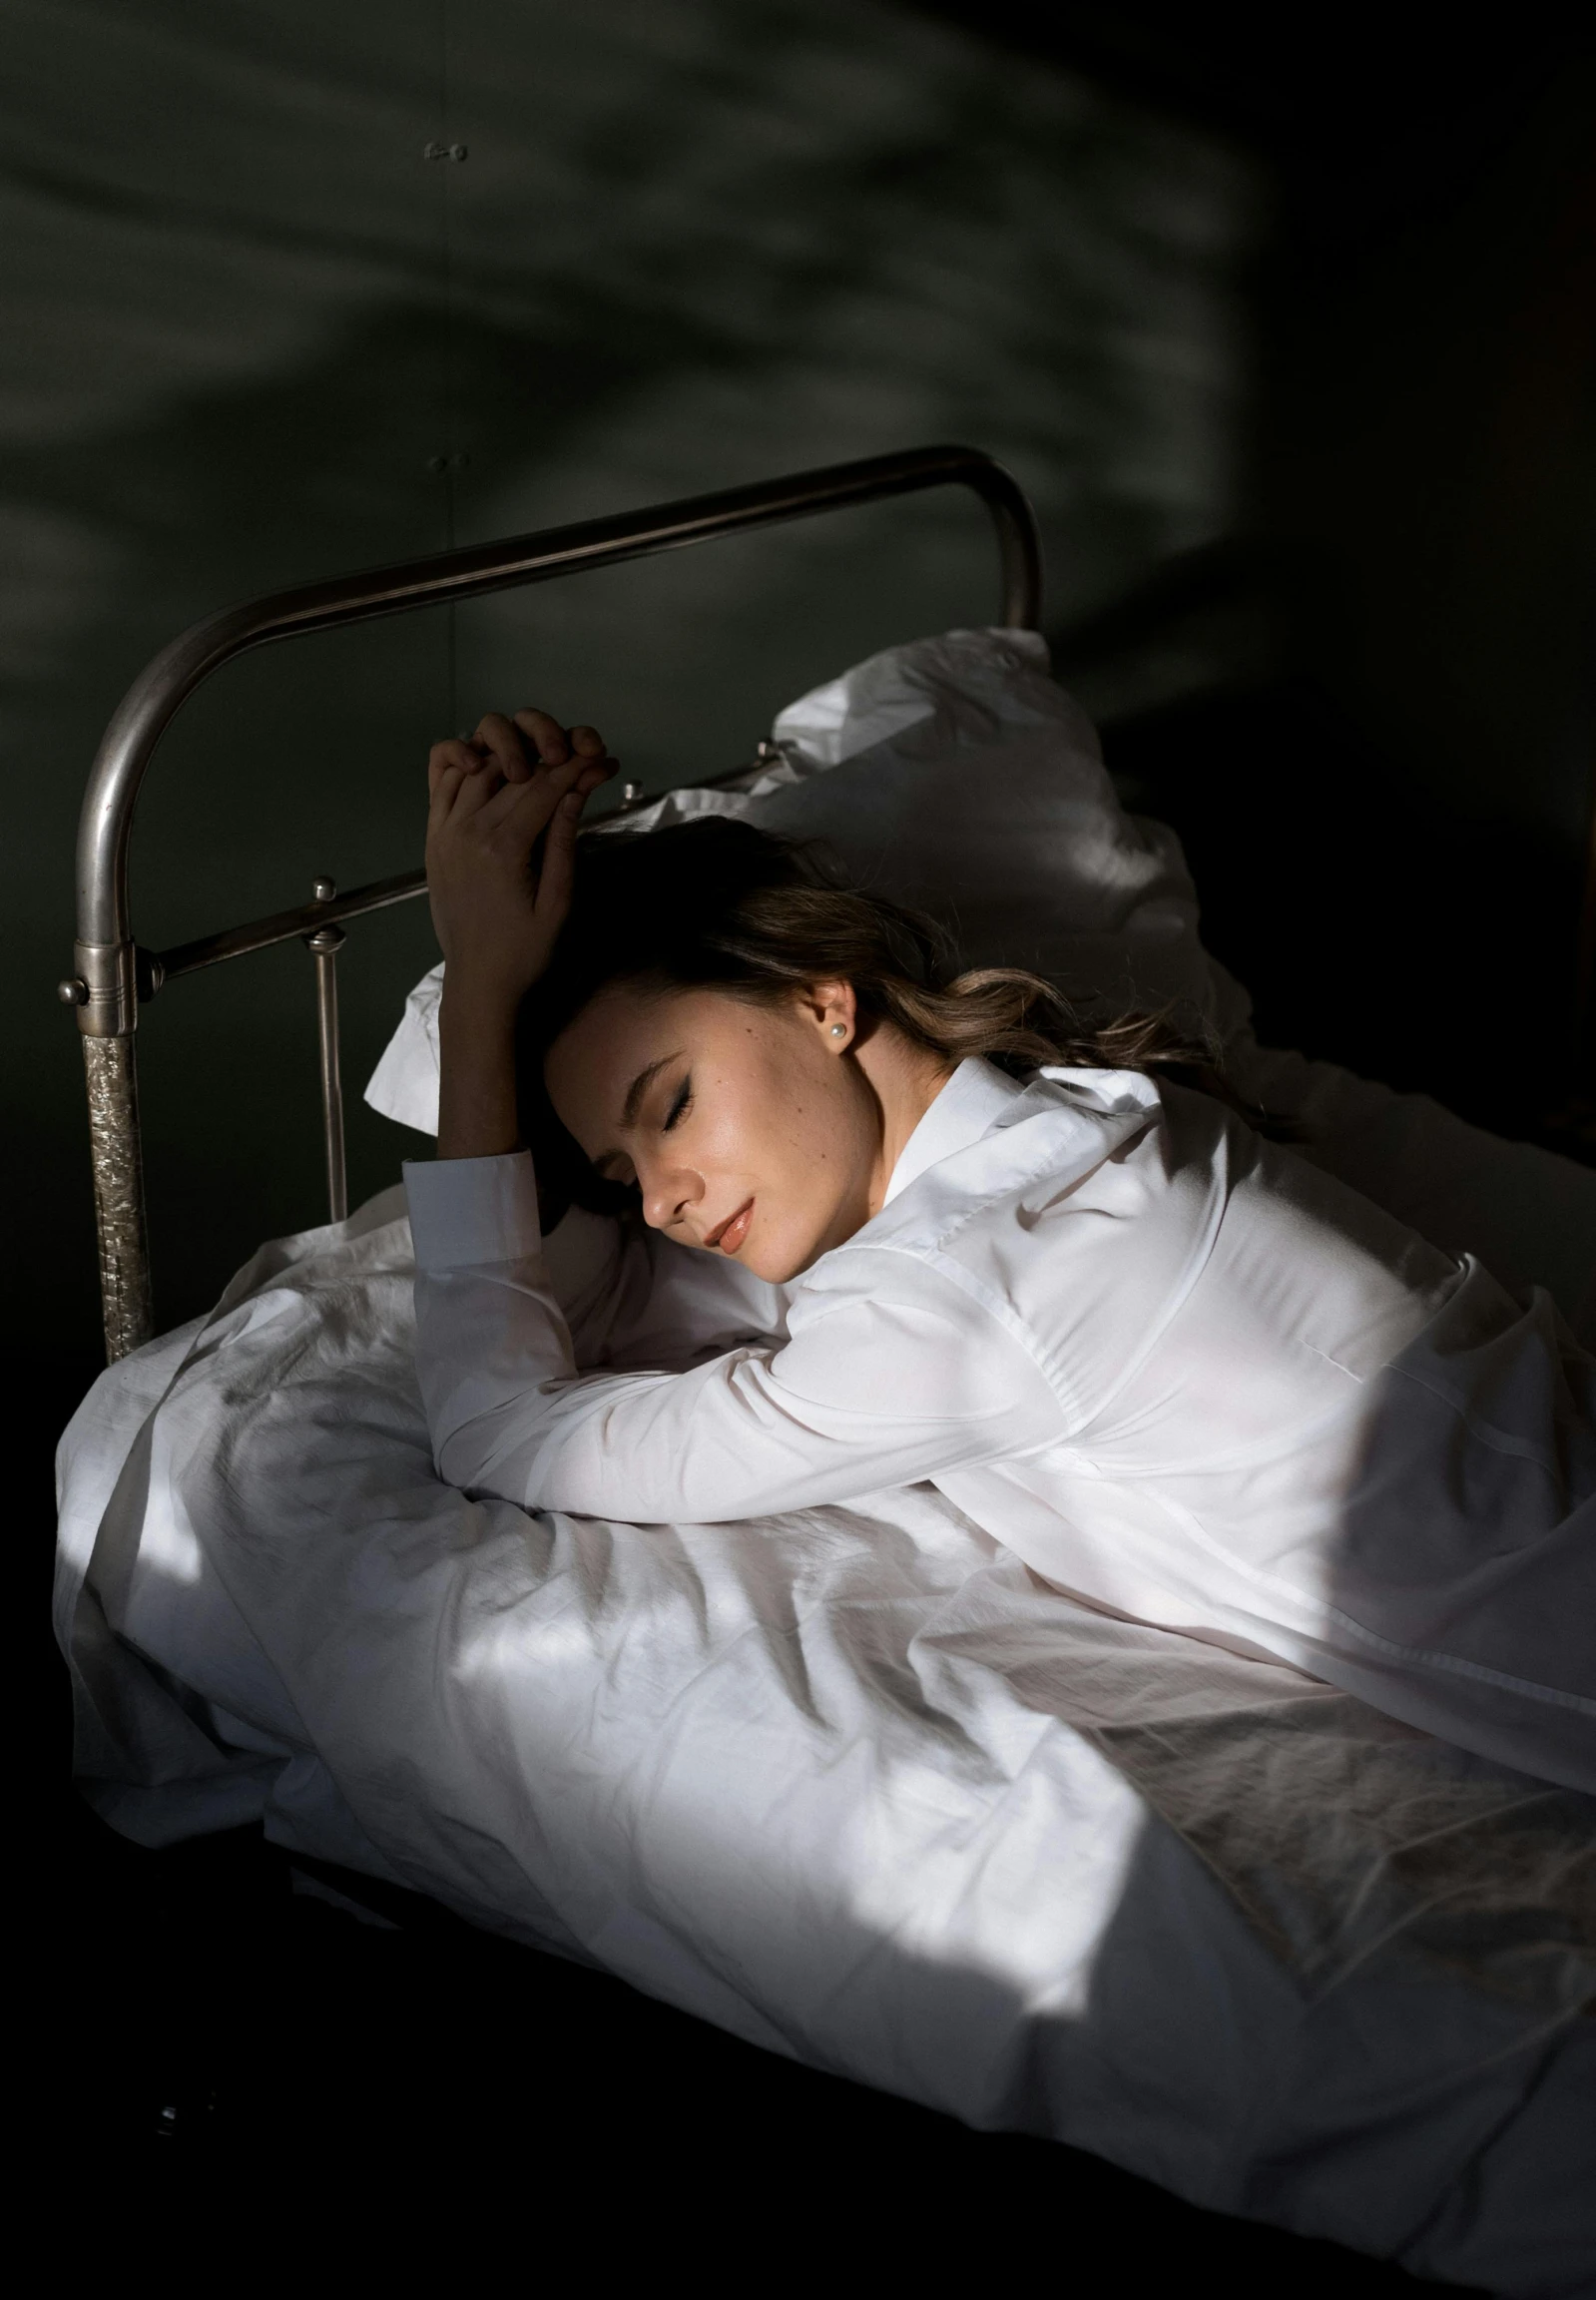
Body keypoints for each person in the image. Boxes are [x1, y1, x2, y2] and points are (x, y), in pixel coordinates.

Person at [406, 706, 1596, 1794]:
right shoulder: (1084, 1115)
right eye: (624, 1181)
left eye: (669, 1109)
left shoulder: (958, 1301)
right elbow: (645, 1287)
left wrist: (477, 992)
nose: (663, 1204)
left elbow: (493, 1428)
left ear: (825, 999)